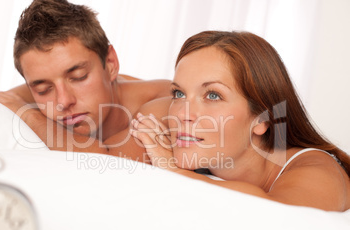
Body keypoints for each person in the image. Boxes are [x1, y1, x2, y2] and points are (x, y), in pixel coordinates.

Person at [130, 30, 350, 211]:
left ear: (262, 119)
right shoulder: (175, 127)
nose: (181, 114)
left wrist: (175, 171)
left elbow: (279, 216)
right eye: (179, 94)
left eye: (213, 95)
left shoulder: (320, 171)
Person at [0, 0, 170, 162]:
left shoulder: (168, 101)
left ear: (110, 64)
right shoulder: (32, 94)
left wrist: (28, 116)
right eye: (44, 89)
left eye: (78, 77)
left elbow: (108, 163)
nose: (63, 101)